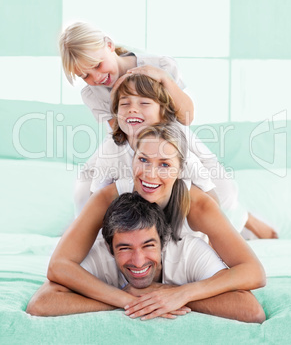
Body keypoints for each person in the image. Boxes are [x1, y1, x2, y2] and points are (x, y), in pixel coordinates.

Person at [60, 21, 278, 239]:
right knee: (83, 190)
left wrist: (164, 79)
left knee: (224, 193)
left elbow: (187, 116)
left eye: (97, 65)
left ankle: (244, 218)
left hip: (172, 134)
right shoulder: (92, 93)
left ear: (109, 45)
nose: (96, 78)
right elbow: (120, 131)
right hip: (130, 141)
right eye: (84, 76)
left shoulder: (160, 65)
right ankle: (84, 234)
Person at [26, 123, 266, 321]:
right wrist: (126, 298)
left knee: (231, 213)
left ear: (180, 170)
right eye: (143, 160)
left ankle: (249, 220)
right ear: (132, 161)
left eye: (164, 164)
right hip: (124, 270)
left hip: (191, 265)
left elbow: (253, 271)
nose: (150, 174)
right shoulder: (107, 198)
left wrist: (179, 293)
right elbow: (59, 265)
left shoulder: (197, 207)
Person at [26, 192, 265, 323]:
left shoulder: (190, 251)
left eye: (148, 245)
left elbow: (251, 310)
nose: (138, 261)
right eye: (125, 248)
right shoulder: (99, 252)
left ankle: (253, 223)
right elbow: (41, 303)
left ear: (164, 241)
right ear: (109, 248)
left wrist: (173, 296)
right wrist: (126, 299)